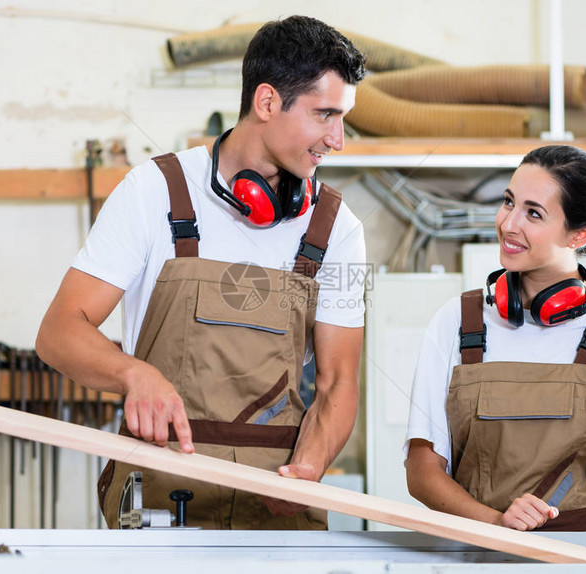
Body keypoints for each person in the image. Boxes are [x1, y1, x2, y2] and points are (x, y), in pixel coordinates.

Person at [35, 15, 367, 530]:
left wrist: (311, 464)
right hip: (160, 496)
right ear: (267, 102)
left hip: (275, 505)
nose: (337, 139)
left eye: (342, 118)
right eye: (325, 115)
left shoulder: (338, 229)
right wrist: (134, 374)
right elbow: (59, 332)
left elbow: (338, 381)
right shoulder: (153, 192)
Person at [405, 145, 586, 564]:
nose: (508, 224)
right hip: (478, 556)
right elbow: (422, 469)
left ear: (580, 235)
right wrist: (497, 524)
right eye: (508, 202)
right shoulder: (457, 323)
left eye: (534, 213)